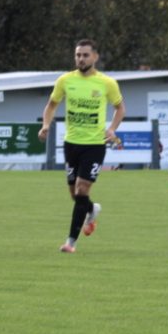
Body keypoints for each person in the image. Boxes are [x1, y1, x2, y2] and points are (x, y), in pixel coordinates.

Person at [38, 39, 126, 253]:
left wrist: (112, 128)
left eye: (85, 55)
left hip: (94, 145)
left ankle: (71, 242)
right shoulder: (65, 80)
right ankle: (92, 209)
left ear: (95, 57)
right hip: (71, 144)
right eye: (78, 55)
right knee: (75, 195)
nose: (81, 59)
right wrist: (46, 125)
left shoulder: (107, 83)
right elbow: (51, 105)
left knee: (82, 188)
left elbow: (120, 108)